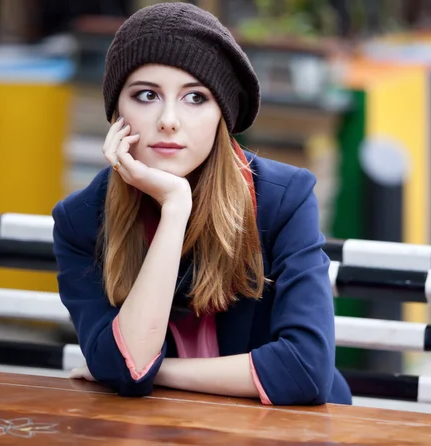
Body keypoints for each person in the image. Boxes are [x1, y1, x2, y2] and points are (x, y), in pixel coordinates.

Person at [52, 1, 352, 406]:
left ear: (221, 115)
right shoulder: (81, 221)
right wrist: (175, 208)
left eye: (195, 98)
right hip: (163, 430)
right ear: (116, 113)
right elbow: (127, 369)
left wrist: (161, 372)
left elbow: (305, 370)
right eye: (146, 95)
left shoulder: (283, 198)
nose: (169, 120)